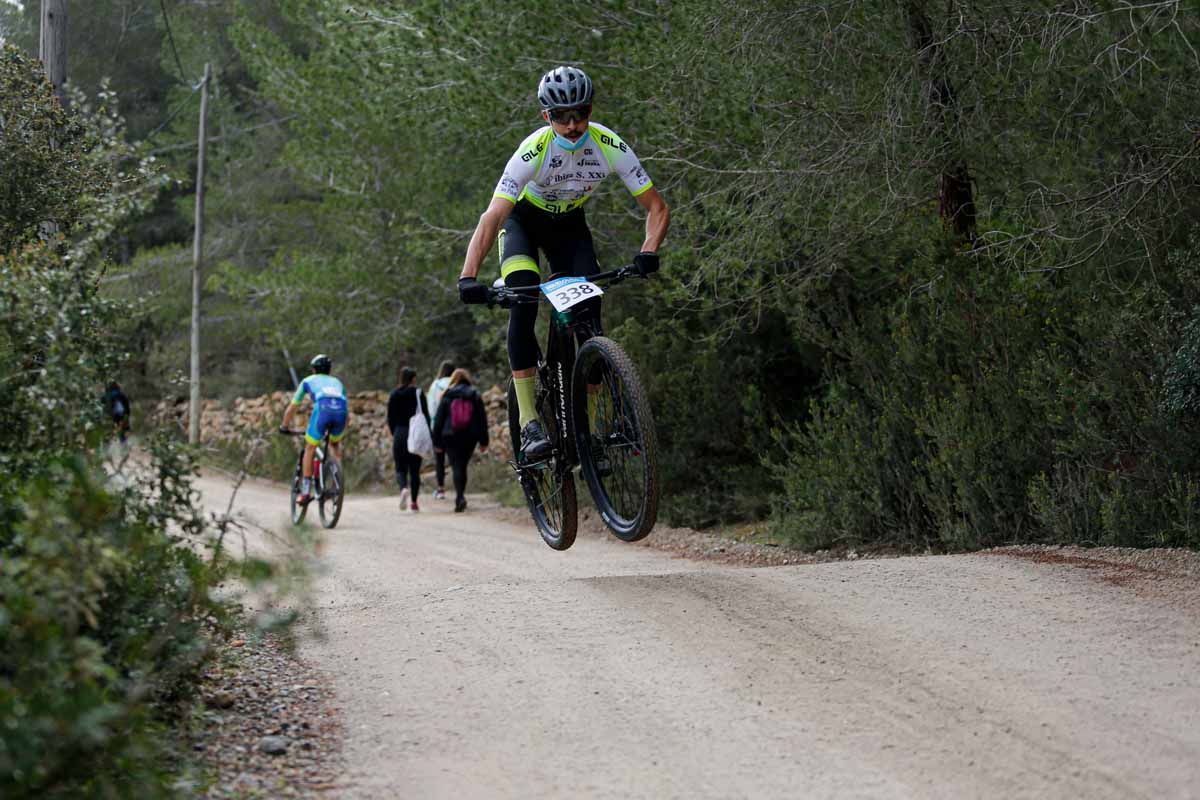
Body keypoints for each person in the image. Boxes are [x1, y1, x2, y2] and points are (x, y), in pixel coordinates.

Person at [456, 65, 669, 463]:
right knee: (522, 302)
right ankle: (530, 422)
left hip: (570, 229)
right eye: (561, 117)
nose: (572, 125)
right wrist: (468, 276)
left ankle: (586, 428)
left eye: (580, 113)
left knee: (591, 319)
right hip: (523, 224)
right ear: (545, 117)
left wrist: (648, 251)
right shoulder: (532, 151)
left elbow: (656, 207)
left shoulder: (608, 145)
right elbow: (493, 218)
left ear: (590, 109)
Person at [280, 354, 349, 505]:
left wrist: (284, 426)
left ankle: (305, 492)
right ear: (329, 370)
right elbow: (345, 405)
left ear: (313, 370)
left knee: (310, 447)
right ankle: (338, 482)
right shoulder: (337, 382)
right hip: (341, 413)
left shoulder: (307, 381)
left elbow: (293, 407)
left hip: (323, 411)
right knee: (334, 445)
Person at [431, 368, 489, 513]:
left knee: (456, 465)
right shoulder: (474, 394)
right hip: (470, 436)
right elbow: (482, 419)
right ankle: (460, 496)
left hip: (450, 435)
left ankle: (460, 497)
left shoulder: (447, 395)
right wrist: (484, 441)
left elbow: (438, 420)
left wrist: (436, 442)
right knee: (462, 465)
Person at [388, 365, 431, 512]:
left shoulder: (394, 394)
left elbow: (390, 418)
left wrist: (395, 433)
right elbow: (426, 415)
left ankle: (403, 489)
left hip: (400, 433)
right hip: (416, 434)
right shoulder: (418, 393)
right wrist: (428, 434)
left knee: (400, 468)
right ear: (413, 379)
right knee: (414, 470)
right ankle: (414, 503)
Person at [426, 360, 455, 500]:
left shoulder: (435, 385)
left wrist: (432, 425)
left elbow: (430, 407)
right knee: (456, 459)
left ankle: (441, 489)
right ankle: (459, 489)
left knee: (439, 459)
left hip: (438, 426)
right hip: (456, 425)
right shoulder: (457, 383)